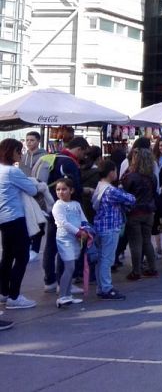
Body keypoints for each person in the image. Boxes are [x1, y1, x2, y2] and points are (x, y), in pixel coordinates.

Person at [42, 136, 88, 294]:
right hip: (66, 209)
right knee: (64, 245)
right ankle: (64, 283)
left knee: (51, 245)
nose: (84, 157)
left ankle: (49, 281)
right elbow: (73, 186)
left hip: (51, 206)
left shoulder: (53, 158)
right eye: (84, 153)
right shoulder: (68, 162)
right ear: (79, 149)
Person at [0, 138, 39, 313]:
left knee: (7, 256)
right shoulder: (12, 172)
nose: (21, 154)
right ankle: (14, 296)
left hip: (3, 218)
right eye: (19, 150)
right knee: (22, 256)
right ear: (12, 152)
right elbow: (33, 190)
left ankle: (3, 292)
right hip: (15, 217)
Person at [92, 160, 135, 300]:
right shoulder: (111, 190)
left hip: (99, 227)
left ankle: (101, 287)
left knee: (101, 259)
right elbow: (130, 199)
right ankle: (106, 288)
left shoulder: (100, 186)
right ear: (111, 173)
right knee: (107, 259)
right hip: (110, 228)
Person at [121, 149, 158, 280]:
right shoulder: (152, 177)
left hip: (134, 212)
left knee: (135, 243)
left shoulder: (131, 176)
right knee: (147, 241)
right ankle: (152, 268)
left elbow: (124, 191)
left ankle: (136, 271)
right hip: (148, 212)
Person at [51, 178, 87, 307]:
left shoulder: (76, 204)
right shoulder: (58, 205)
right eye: (58, 189)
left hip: (77, 240)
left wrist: (85, 230)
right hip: (65, 239)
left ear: (71, 190)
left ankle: (67, 295)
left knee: (72, 267)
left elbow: (83, 219)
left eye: (64, 189)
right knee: (69, 266)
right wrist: (78, 232)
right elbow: (63, 223)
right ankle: (61, 296)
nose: (61, 192)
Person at [21, 131, 46, 261]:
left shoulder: (44, 156)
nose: (29, 142)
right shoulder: (23, 157)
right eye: (27, 140)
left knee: (39, 219)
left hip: (39, 193)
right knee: (27, 220)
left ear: (38, 141)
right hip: (25, 192)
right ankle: (29, 246)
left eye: (32, 140)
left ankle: (35, 248)